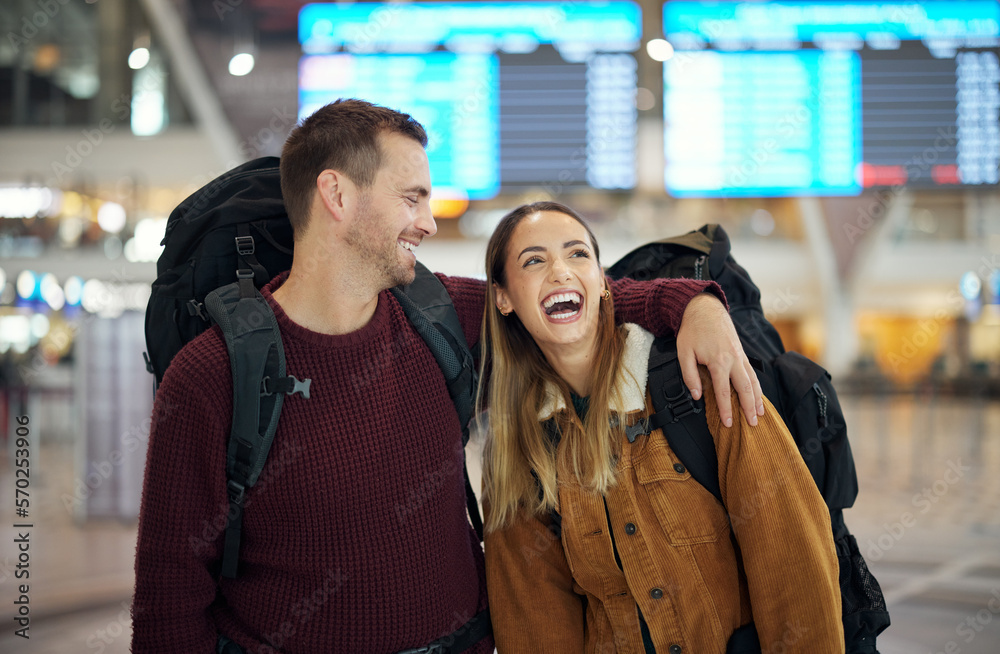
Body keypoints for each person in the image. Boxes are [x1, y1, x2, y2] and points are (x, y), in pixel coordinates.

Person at [131, 100, 764, 654]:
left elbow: (574, 298)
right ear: (337, 196)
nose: (429, 223)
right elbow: (169, 605)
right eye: (412, 198)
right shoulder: (212, 376)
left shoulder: (439, 317)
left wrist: (694, 303)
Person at [480, 202, 844, 653]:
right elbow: (534, 624)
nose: (560, 272)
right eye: (534, 260)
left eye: (577, 254)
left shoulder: (703, 383)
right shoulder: (520, 449)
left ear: (603, 284)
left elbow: (794, 564)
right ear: (503, 297)